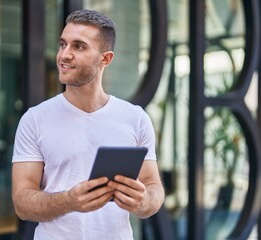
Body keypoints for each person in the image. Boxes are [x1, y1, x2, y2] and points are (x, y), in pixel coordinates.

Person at [11, 9, 165, 240]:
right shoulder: (35, 119)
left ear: (105, 58)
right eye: (63, 44)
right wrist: (68, 201)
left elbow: (154, 187)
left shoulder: (135, 118)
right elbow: (22, 202)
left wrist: (143, 201)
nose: (64, 55)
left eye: (78, 46)